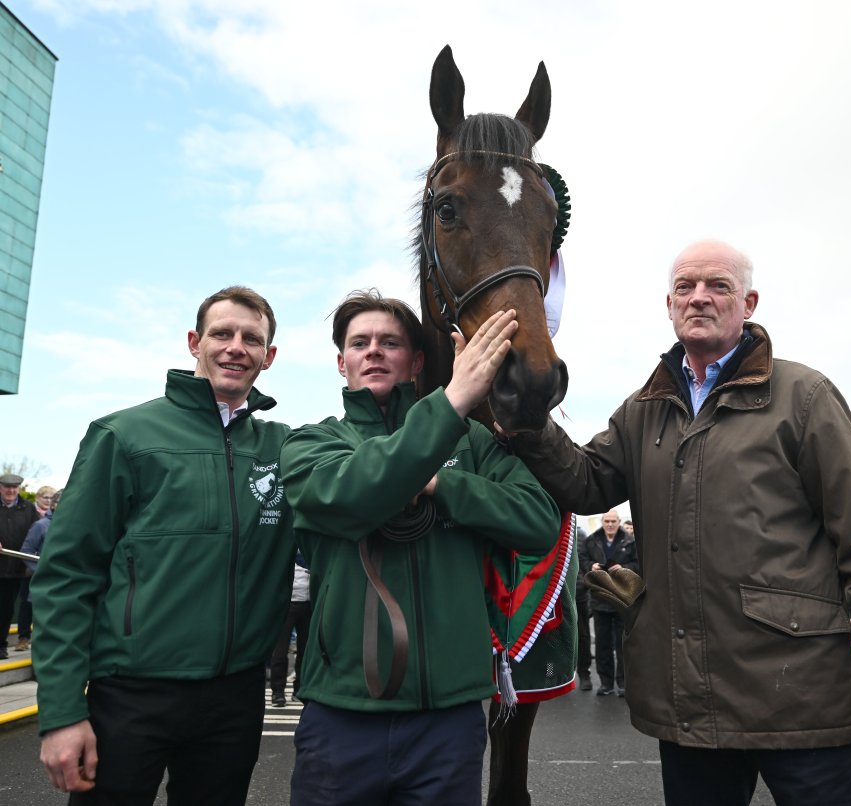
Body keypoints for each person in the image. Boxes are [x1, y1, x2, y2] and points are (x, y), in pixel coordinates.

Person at [502, 240, 851, 805]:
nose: (699, 297)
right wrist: (527, 416)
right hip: (689, 702)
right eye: (686, 286)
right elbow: (585, 483)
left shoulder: (804, 396)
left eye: (718, 286)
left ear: (748, 302)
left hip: (799, 698)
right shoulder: (642, 409)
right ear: (670, 303)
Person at [280, 290, 560, 806]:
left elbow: (539, 521)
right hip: (342, 713)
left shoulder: (471, 444)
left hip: (448, 718)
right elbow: (345, 493)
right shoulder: (312, 443)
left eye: (390, 342)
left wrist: (443, 486)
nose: (374, 352)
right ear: (341, 362)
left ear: (417, 361)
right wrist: (451, 404)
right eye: (359, 343)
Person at [30, 286, 297, 805]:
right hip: (131, 694)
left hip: (235, 696)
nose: (235, 347)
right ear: (195, 341)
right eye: (222, 333)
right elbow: (66, 576)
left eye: (252, 338)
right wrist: (61, 713)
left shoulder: (284, 447)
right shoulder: (123, 434)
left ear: (269, 357)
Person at [579, 510, 638, 696]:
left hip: (622, 598)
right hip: (600, 598)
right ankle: (605, 683)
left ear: (619, 522)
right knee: (603, 644)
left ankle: (623, 682)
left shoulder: (630, 542)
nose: (610, 524)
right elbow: (582, 561)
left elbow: (639, 564)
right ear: (602, 522)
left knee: (623, 644)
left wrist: (623, 568)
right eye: (607, 521)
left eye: (613, 521)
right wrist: (591, 567)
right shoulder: (591, 540)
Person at [0, 472, 39, 660]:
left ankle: (1, 646)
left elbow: (35, 536)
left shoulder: (29, 509)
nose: (11, 490)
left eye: (14, 487)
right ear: (0, 488)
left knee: (7, 610)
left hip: (15, 570)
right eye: (7, 487)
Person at [14, 485, 55, 652]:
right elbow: (26, 550)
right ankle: (24, 637)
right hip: (34, 574)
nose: (48, 500)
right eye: (46, 497)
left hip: (55, 578)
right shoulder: (40, 524)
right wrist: (40, 569)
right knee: (27, 606)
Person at [270, 551, 311, 707]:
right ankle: (277, 692)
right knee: (280, 651)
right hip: (286, 605)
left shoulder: (310, 548)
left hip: (308, 603)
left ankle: (299, 689)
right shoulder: (285, 550)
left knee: (305, 651)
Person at [575, 525, 593, 690]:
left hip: (579, 592)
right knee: (552, 636)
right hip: (555, 593)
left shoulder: (580, 534)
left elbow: (585, 563)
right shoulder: (551, 525)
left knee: (583, 635)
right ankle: (552, 674)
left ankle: (584, 673)